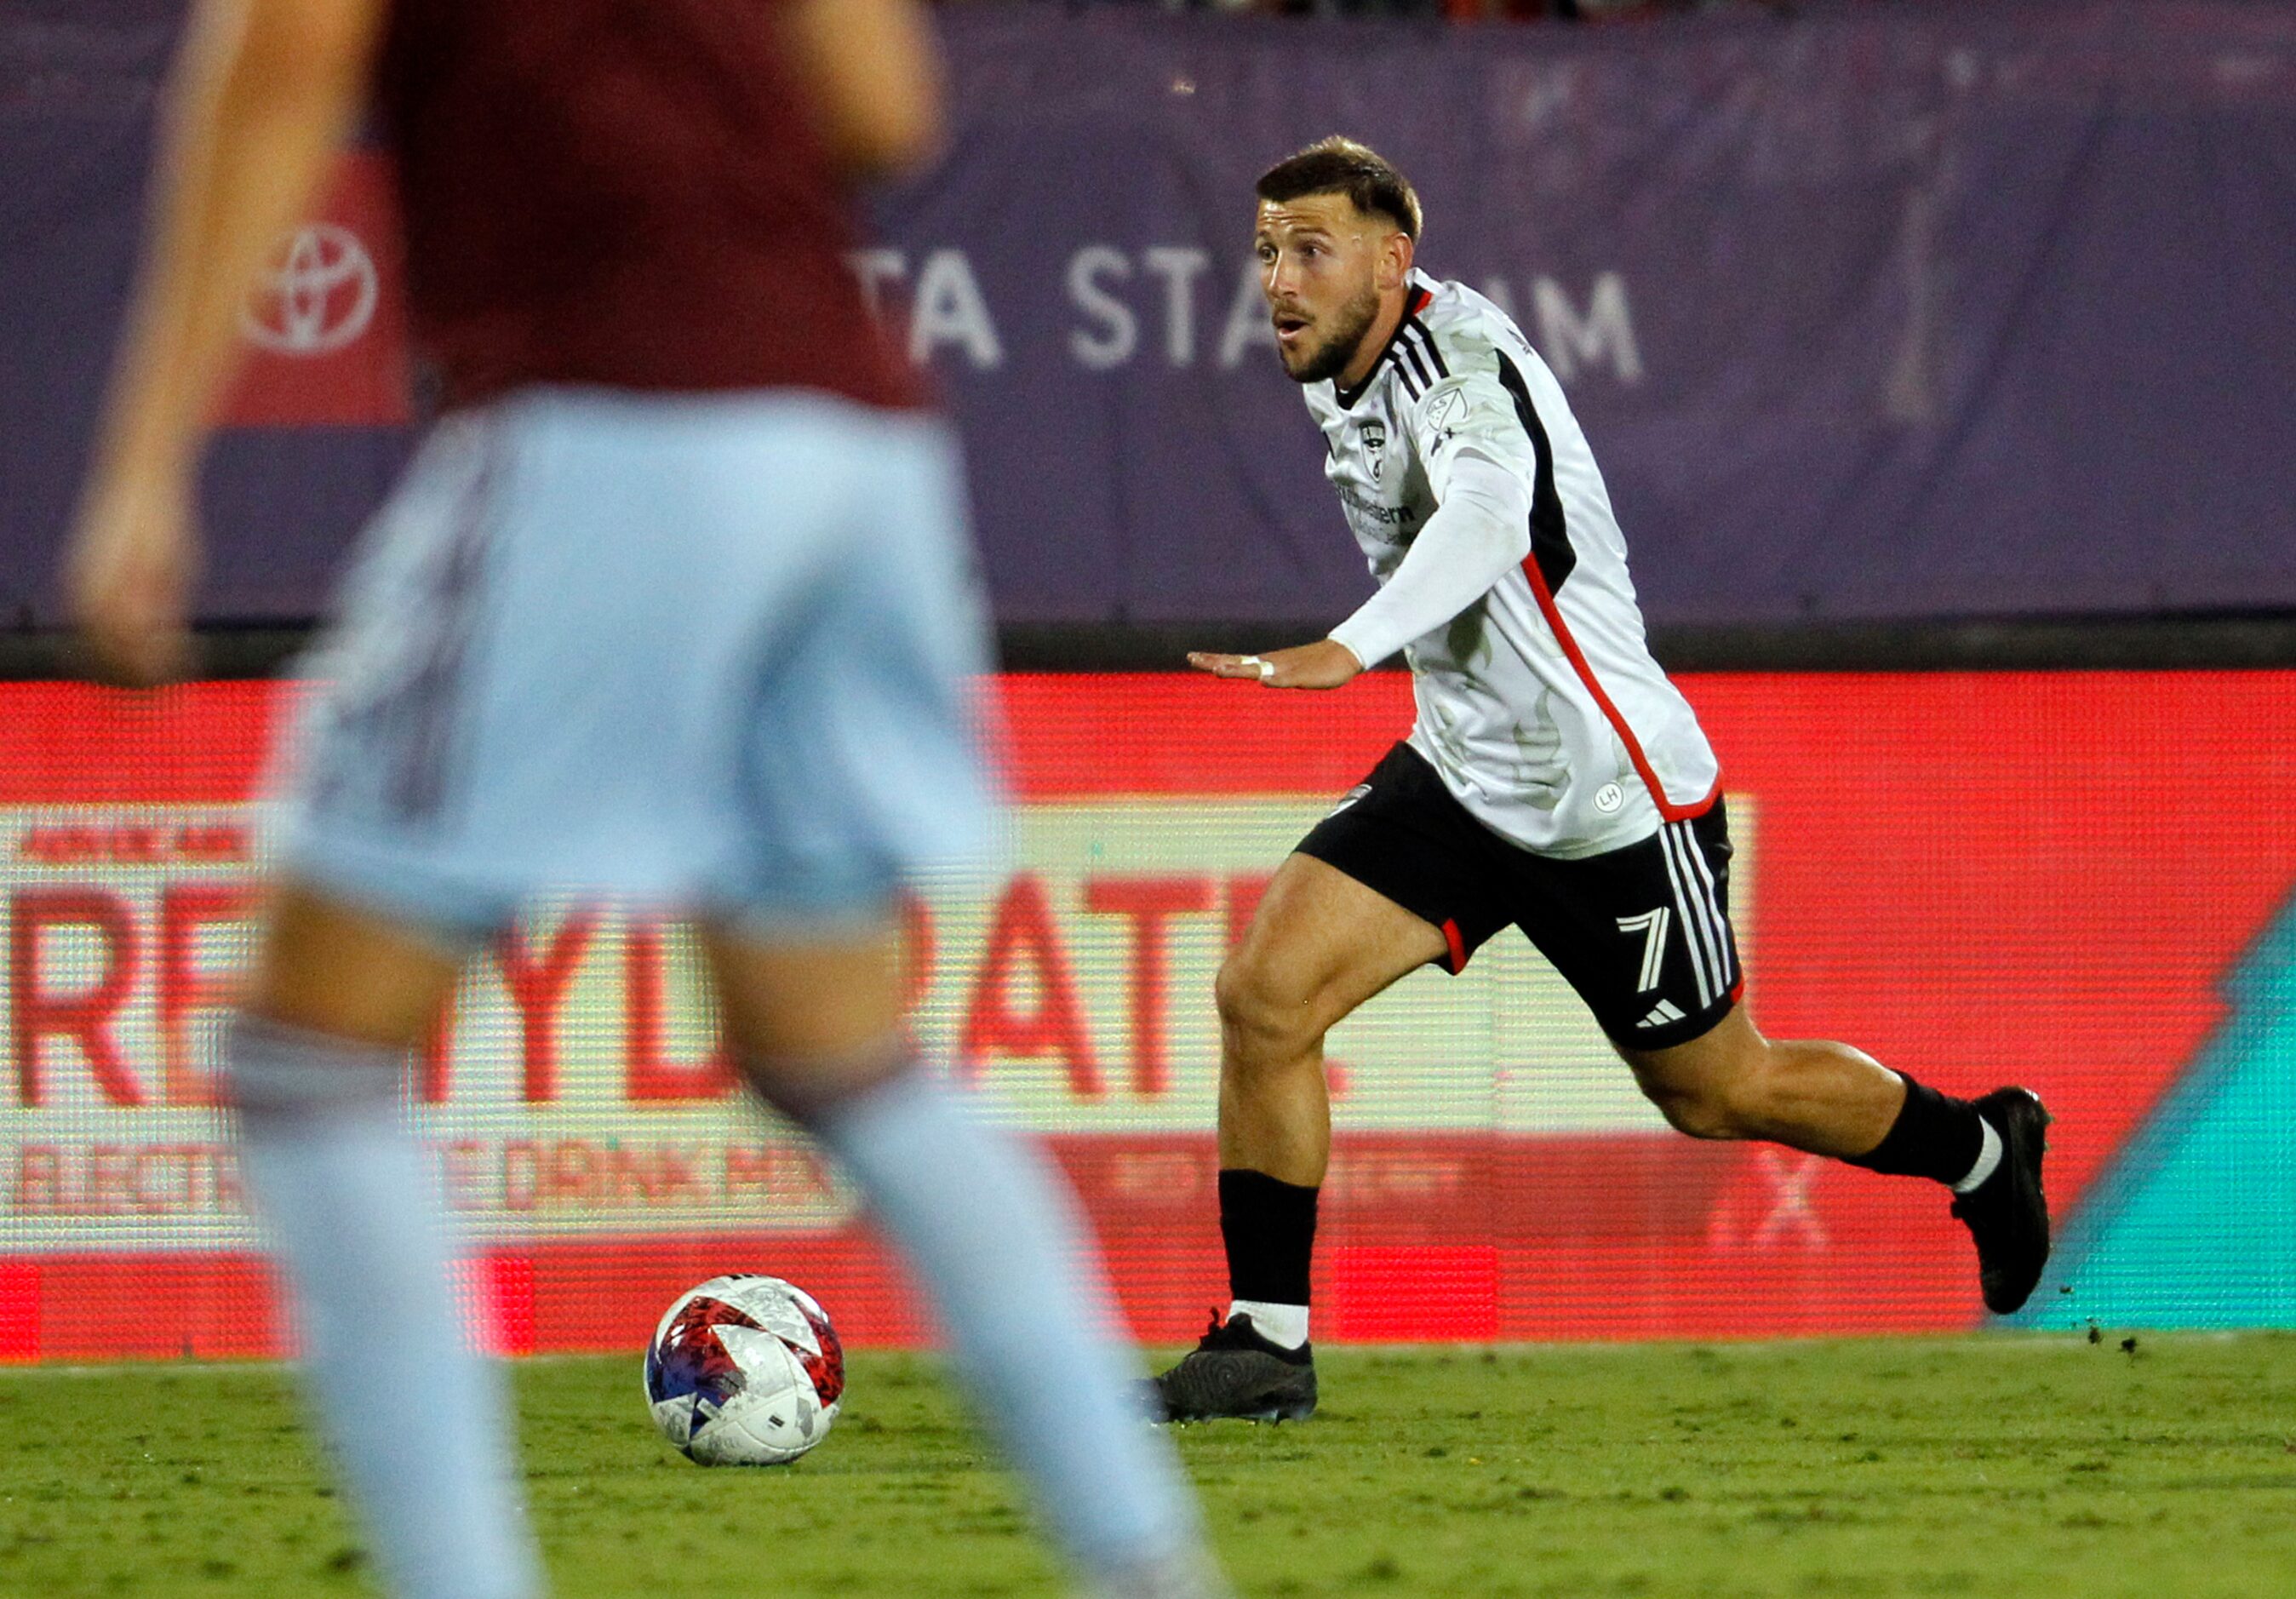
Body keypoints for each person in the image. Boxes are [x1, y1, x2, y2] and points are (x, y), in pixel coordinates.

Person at [66, 2, 1224, 1595]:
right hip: (853, 439)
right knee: (840, 1053)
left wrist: (141, 466)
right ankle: (1144, 1562)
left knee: (309, 1056)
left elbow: (277, 59)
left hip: (611, 420)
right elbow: (885, 111)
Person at [1156, 137, 2049, 1423]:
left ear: (1393, 262)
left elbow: (1483, 516)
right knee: (1264, 994)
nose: (1279, 282)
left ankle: (1981, 1147)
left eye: (1310, 249)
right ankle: (1262, 1344)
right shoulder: (1335, 359)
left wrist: (1351, 644)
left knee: (1712, 1088)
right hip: (1464, 776)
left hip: (1605, 794)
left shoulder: (1455, 366)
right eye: (1263, 254)